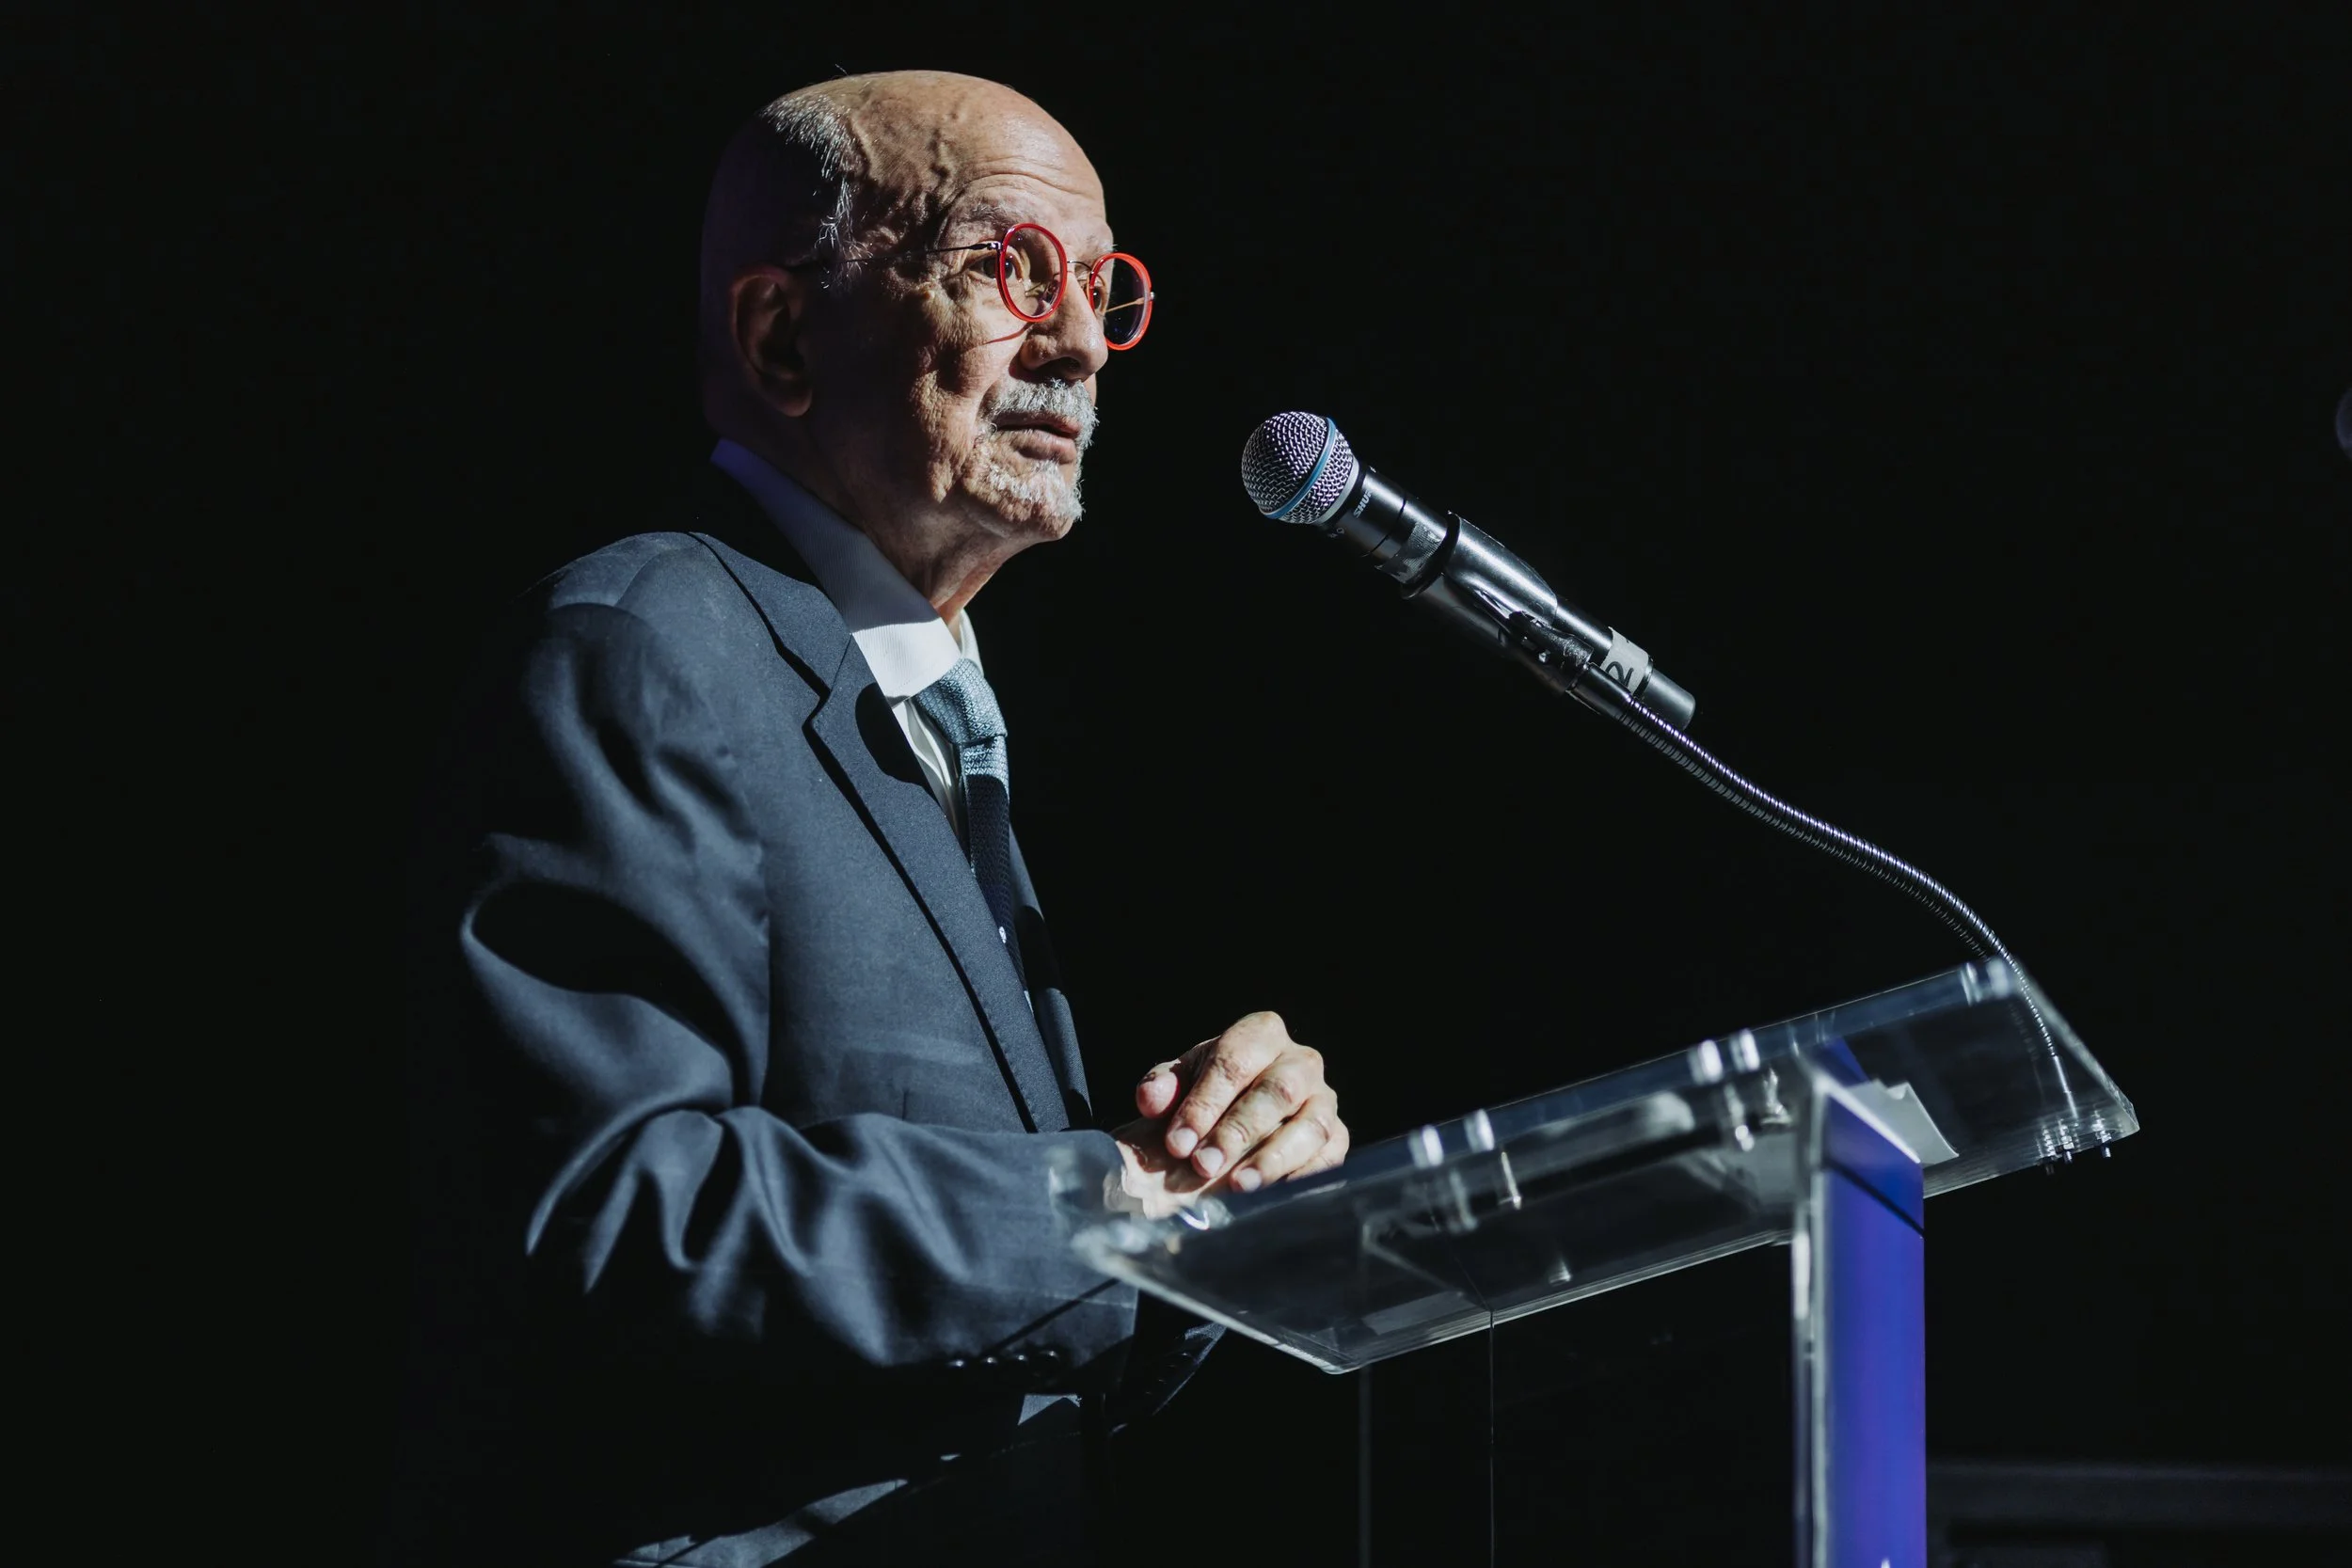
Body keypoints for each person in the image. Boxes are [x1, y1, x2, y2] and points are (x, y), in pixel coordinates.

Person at [391, 70, 1349, 1567]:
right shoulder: (642, 650)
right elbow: (624, 1209)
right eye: (1009, 267)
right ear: (782, 336)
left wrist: (1217, 1190)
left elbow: (969, 1318)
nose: (1079, 340)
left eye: (1101, 286)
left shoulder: (929, 701)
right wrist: (1113, 1198)